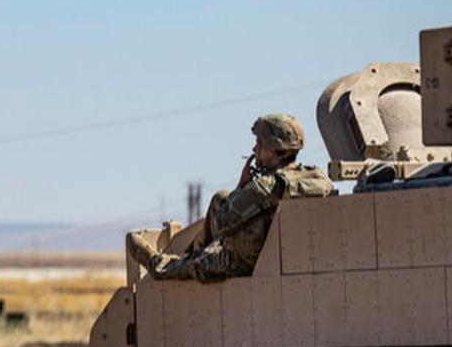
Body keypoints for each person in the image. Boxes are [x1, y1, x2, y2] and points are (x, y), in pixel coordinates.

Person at [128, 113, 334, 282]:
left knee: (197, 262)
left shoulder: (263, 187)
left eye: (259, 144)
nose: (255, 149)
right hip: (275, 256)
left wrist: (242, 186)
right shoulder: (316, 177)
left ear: (272, 150)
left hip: (241, 260)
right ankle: (196, 253)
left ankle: (159, 265)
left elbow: (224, 220)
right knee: (221, 200)